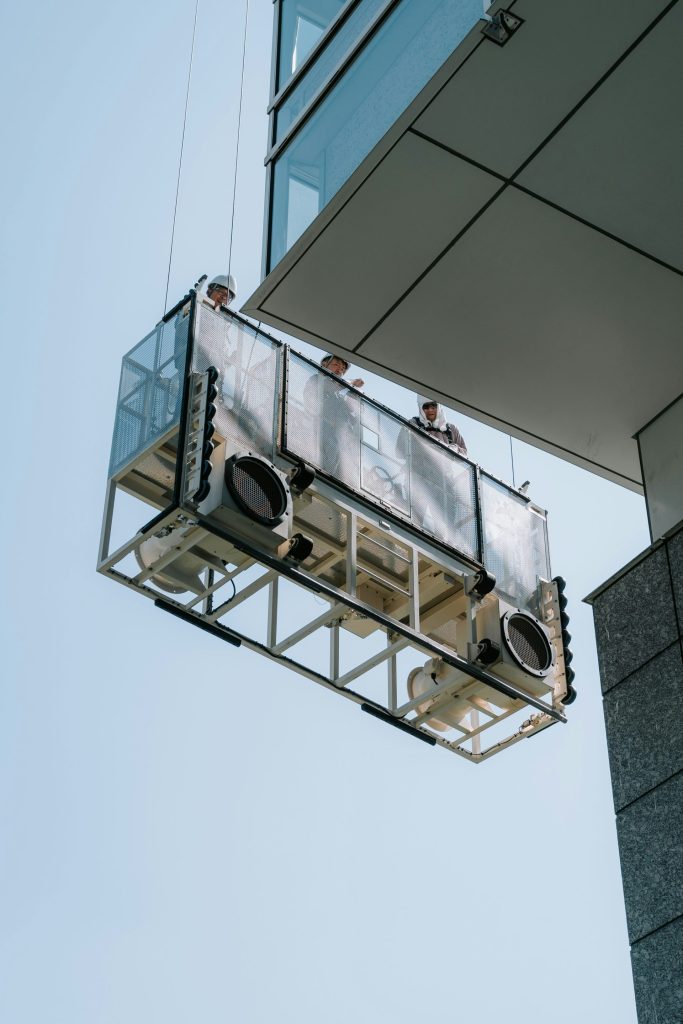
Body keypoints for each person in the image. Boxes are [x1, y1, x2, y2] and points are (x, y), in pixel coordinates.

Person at [300, 353, 364, 483]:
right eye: (336, 365)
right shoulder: (316, 379)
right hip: (318, 429)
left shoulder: (337, 396)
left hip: (337, 438)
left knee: (334, 473)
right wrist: (351, 384)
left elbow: (352, 417)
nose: (339, 370)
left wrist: (353, 394)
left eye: (342, 369)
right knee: (320, 466)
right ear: (325, 365)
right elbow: (328, 386)